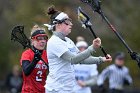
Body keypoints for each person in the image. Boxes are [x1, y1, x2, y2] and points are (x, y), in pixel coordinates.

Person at [44, 6, 112, 93]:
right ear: (58, 24)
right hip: (56, 89)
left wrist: (101, 59)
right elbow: (74, 59)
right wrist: (92, 48)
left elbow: (82, 59)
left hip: (68, 89)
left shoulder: (68, 41)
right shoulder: (54, 42)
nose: (71, 24)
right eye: (67, 22)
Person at [20, 25, 49, 93]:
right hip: (29, 91)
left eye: (44, 38)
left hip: (43, 91)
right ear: (32, 41)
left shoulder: (47, 54)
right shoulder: (27, 54)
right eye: (39, 38)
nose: (43, 41)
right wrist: (35, 60)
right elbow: (26, 71)